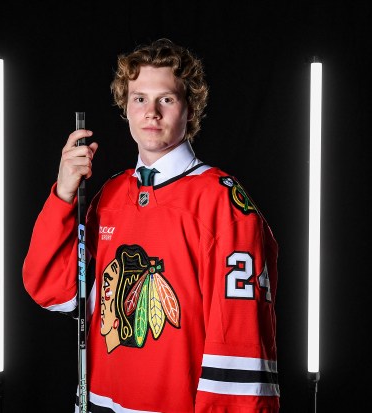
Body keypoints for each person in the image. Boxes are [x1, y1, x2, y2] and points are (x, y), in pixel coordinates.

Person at [23, 38, 280, 412]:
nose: (152, 113)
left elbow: (239, 338)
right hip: (100, 401)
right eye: (139, 98)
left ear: (190, 109)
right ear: (125, 107)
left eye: (167, 99)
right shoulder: (109, 195)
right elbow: (55, 292)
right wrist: (62, 194)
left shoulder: (222, 201)